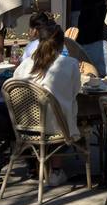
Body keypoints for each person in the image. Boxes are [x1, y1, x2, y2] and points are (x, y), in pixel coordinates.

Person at [10, 22, 82, 187]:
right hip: (57, 129)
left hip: (26, 126)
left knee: (55, 115)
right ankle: (56, 171)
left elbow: (14, 87)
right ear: (62, 43)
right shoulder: (69, 63)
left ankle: (37, 166)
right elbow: (76, 90)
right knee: (70, 116)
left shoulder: (25, 64)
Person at [24, 10, 90, 65]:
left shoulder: (31, 46)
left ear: (35, 30)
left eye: (30, 28)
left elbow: (23, 63)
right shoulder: (63, 47)